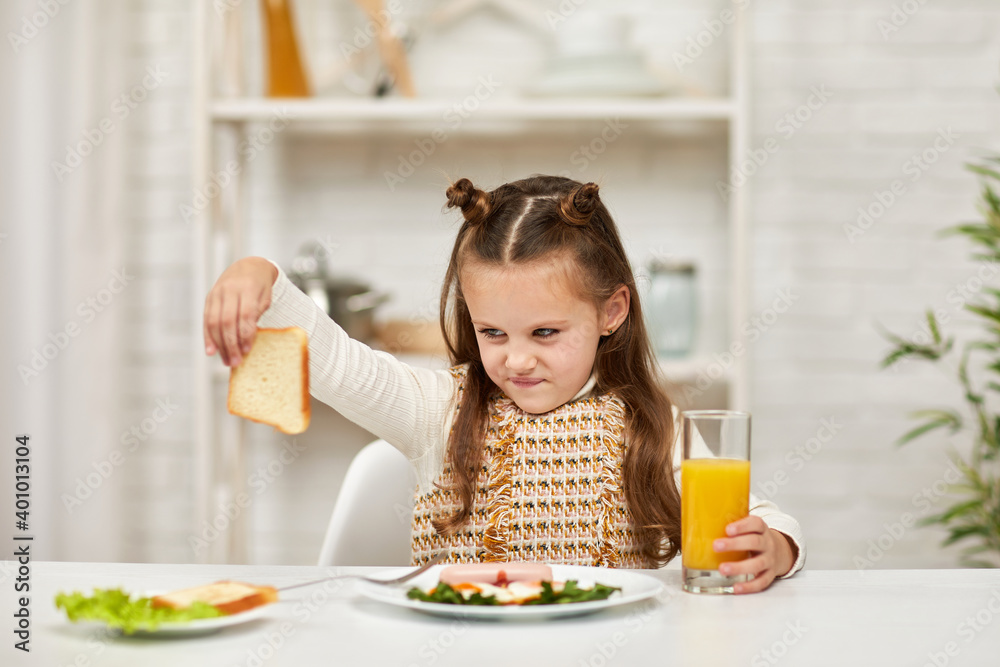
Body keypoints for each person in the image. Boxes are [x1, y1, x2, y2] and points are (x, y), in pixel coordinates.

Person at [203, 175, 805, 593]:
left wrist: (775, 546)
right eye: (493, 332)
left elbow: (760, 517)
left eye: (545, 332)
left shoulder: (652, 426)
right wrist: (259, 277)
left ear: (612, 311)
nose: (517, 359)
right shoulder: (436, 409)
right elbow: (335, 361)